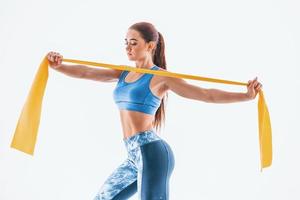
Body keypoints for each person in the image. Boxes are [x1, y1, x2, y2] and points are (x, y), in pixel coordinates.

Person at [47, 22, 262, 200]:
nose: (128, 47)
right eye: (126, 43)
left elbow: (206, 94)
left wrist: (245, 96)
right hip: (133, 156)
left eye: (134, 43)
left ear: (150, 46)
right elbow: (86, 72)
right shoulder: (124, 73)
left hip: (152, 153)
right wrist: (59, 66)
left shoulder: (161, 77)